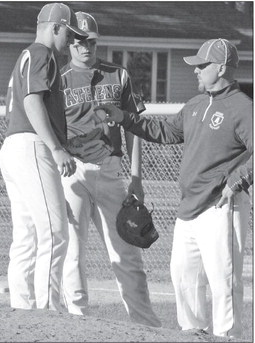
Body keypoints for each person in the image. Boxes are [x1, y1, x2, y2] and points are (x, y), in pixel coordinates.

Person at [96, 38, 253, 338]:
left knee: (224, 282)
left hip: (221, 205)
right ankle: (193, 334)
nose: (195, 70)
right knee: (183, 277)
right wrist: (124, 118)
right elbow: (167, 132)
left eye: (201, 65)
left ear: (221, 68)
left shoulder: (242, 108)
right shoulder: (194, 105)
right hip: (188, 207)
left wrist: (238, 181)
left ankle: (228, 337)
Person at [60, 11, 161, 327]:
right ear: (69, 44)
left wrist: (136, 177)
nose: (84, 47)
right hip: (73, 171)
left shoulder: (119, 75)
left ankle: (145, 325)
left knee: (127, 251)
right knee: (73, 251)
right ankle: (78, 319)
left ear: (96, 41)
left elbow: (134, 128)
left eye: (90, 41)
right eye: (78, 40)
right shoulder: (58, 81)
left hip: (111, 170)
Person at [0, 3, 88, 312]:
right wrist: (56, 147)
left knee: (28, 235)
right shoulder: (42, 55)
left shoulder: (26, 55)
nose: (70, 41)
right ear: (56, 28)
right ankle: (49, 310)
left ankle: (23, 309)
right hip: (32, 145)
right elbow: (33, 101)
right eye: (69, 33)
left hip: (15, 145)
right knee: (54, 233)